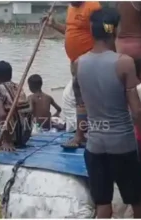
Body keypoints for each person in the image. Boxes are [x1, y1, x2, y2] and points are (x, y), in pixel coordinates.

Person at [73, 8, 141, 218]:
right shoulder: (124, 63)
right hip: (122, 145)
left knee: (103, 203)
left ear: (93, 32)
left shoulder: (78, 64)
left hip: (94, 146)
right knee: (139, 200)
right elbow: (137, 113)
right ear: (115, 31)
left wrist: (79, 133)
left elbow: (81, 105)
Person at [42, 1, 102, 146]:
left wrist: (93, 58)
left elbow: (104, 34)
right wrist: (53, 24)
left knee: (90, 101)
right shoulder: (71, 8)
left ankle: (85, 136)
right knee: (81, 101)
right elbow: (71, 31)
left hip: (90, 62)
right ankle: (84, 134)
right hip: (75, 63)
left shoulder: (93, 7)